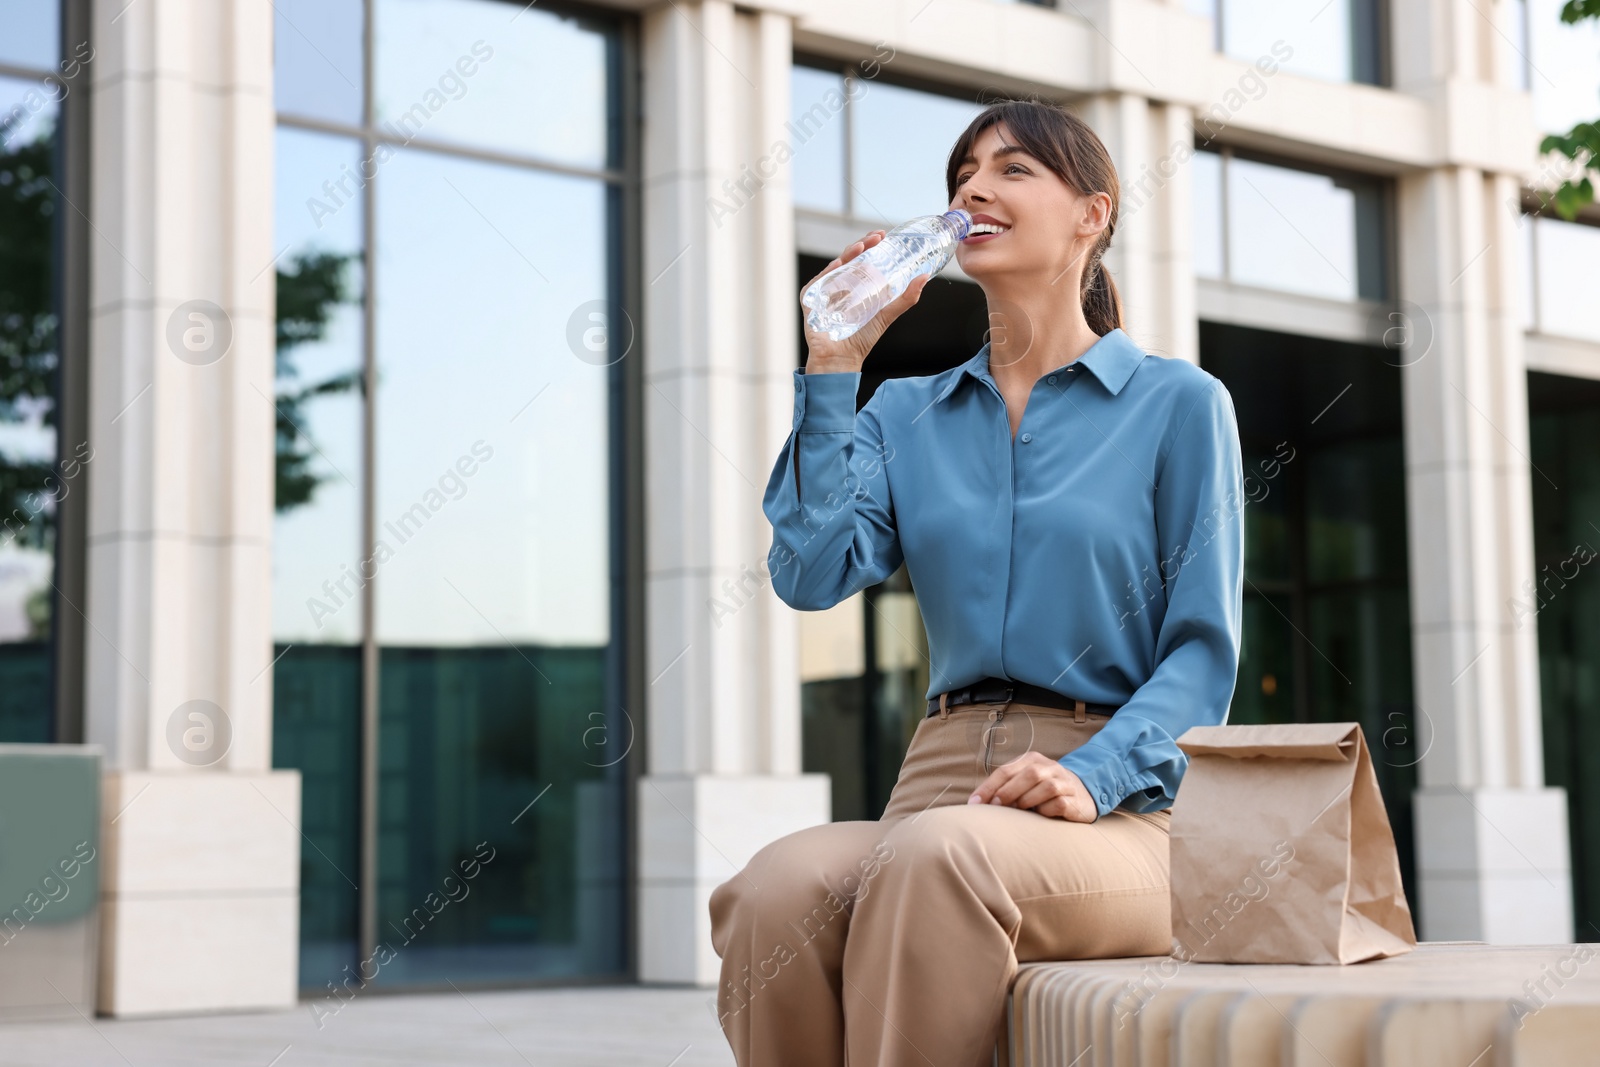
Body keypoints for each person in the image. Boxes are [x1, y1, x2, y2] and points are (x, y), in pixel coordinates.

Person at [709, 98, 1244, 1067]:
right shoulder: (906, 411)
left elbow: (1201, 650)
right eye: (963, 171)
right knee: (774, 888)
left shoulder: (1176, 403)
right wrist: (833, 364)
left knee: (935, 856)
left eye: (1012, 169)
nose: (973, 186)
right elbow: (809, 570)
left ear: (1091, 213)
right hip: (939, 784)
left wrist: (1092, 773)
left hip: (1118, 806)